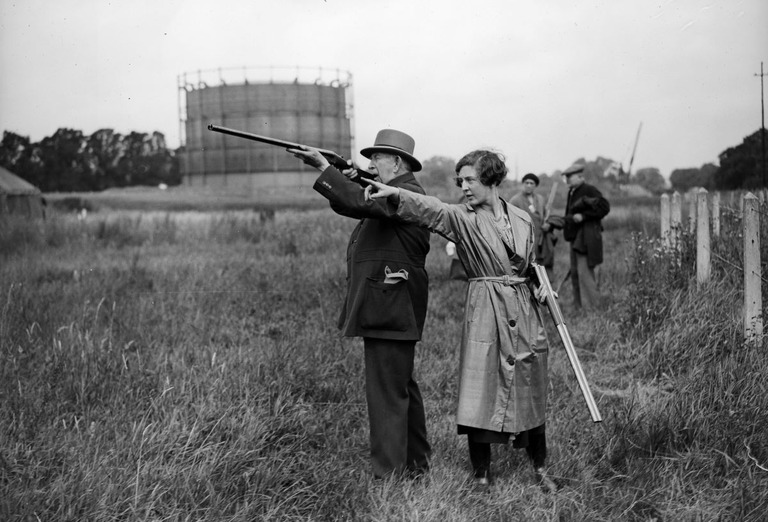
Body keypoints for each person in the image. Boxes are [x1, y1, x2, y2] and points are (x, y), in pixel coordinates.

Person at [363, 150, 556, 492]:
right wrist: (395, 193)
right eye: (461, 181)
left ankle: (540, 468)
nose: (464, 187)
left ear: (493, 180)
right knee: (479, 388)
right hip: (485, 306)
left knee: (530, 385)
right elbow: (430, 208)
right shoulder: (461, 218)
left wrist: (541, 288)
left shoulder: (524, 219)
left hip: (525, 310)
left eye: (471, 180)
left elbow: (531, 265)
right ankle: (481, 473)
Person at [288, 129, 432, 480]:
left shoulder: (405, 194)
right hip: (391, 304)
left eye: (376, 159)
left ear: (396, 163)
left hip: (389, 305)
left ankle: (388, 475)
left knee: (385, 392)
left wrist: (326, 168)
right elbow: (352, 201)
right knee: (399, 386)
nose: (370, 163)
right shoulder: (397, 193)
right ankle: (415, 465)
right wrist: (345, 176)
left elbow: (358, 203)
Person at [562, 164, 610, 311]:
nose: (567, 180)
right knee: (576, 273)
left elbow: (604, 207)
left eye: (569, 177)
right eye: (566, 177)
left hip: (585, 239)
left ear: (580, 177)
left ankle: (592, 309)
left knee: (584, 273)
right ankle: (580, 307)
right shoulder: (573, 191)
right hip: (575, 238)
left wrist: (583, 216)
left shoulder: (589, 190)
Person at [509, 173, 556, 281]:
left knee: (544, 268)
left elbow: (547, 215)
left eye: (532, 183)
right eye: (526, 183)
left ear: (535, 186)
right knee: (528, 270)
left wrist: (548, 225)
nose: (529, 185)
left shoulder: (540, 199)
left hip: (542, 239)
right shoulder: (515, 200)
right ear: (523, 184)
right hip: (525, 241)